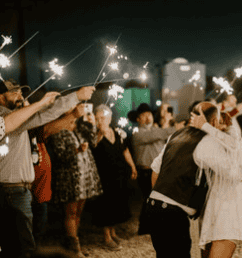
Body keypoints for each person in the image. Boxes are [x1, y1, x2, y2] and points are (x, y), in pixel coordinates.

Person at [0, 80, 95, 258]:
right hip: (11, 191)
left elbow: (41, 118)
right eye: (15, 92)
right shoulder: (7, 118)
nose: (21, 96)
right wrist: (75, 97)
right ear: (0, 96)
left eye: (21, 92)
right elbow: (42, 118)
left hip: (19, 190)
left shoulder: (14, 118)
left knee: (20, 242)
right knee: (23, 248)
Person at [145, 102, 242, 258]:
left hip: (153, 207)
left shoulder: (177, 134)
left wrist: (161, 198)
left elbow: (155, 171)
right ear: (213, 122)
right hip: (172, 214)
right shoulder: (206, 142)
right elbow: (232, 172)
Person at [45, 104, 103, 258]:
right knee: (70, 213)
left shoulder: (79, 128)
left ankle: (73, 245)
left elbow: (94, 142)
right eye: (71, 109)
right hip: (70, 180)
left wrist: (92, 124)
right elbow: (59, 155)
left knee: (78, 213)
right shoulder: (57, 130)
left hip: (85, 179)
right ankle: (75, 248)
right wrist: (77, 150)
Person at [190, 109, 242, 258]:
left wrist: (206, 127)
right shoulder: (207, 142)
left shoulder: (232, 133)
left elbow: (231, 172)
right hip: (211, 205)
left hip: (229, 207)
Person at [90, 104, 138, 251]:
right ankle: (106, 237)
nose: (100, 121)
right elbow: (94, 145)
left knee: (117, 203)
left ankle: (113, 232)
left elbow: (125, 151)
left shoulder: (117, 133)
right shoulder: (94, 134)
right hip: (103, 176)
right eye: (97, 119)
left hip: (118, 174)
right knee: (106, 205)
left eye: (103, 118)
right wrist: (99, 132)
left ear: (110, 118)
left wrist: (132, 167)